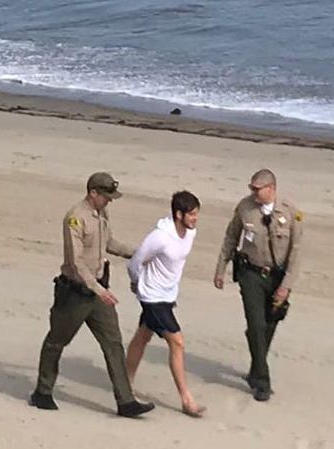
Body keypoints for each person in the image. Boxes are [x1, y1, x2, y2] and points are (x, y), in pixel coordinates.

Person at [30, 172, 155, 418]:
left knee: (113, 343)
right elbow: (75, 261)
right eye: (106, 196)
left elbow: (109, 243)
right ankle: (42, 392)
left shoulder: (102, 214)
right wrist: (98, 290)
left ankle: (125, 401)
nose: (109, 201)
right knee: (57, 341)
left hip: (98, 294)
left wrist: (139, 254)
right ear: (93, 193)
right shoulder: (75, 218)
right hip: (75, 293)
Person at [213, 169, 304, 402]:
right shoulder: (245, 208)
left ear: (271, 188)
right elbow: (231, 237)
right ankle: (262, 382)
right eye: (251, 188)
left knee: (269, 324)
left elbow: (296, 252)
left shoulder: (291, 211)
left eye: (257, 189)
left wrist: (286, 286)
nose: (253, 193)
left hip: (277, 278)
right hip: (251, 274)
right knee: (255, 324)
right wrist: (221, 268)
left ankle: (255, 368)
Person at [124, 191, 206, 418]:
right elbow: (135, 262)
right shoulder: (159, 237)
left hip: (168, 296)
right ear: (179, 214)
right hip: (152, 297)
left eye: (197, 214)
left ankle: (124, 384)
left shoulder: (190, 233)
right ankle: (187, 400)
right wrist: (137, 284)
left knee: (142, 336)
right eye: (191, 214)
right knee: (177, 342)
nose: (195, 219)